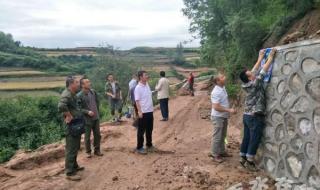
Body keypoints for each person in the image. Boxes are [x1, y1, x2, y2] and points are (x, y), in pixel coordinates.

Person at [238, 48, 276, 171]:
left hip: (246, 116)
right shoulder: (255, 84)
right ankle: (249, 161)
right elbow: (263, 71)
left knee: (247, 137)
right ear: (249, 78)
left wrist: (260, 57)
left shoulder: (246, 83)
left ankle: (242, 157)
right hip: (255, 115)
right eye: (250, 74)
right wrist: (270, 57)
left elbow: (254, 71)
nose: (252, 72)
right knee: (255, 138)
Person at [58, 76, 84, 181]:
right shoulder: (67, 94)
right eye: (77, 82)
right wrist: (68, 115)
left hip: (76, 125)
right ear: (71, 84)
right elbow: (61, 106)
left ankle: (74, 166)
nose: (79, 84)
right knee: (71, 149)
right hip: (71, 126)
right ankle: (69, 172)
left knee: (76, 146)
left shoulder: (73, 94)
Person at [209, 73, 236, 163]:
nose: (225, 77)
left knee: (223, 135)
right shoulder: (216, 92)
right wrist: (229, 110)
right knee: (217, 136)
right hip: (218, 117)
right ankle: (214, 154)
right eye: (222, 77)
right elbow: (216, 107)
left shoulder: (222, 88)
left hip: (223, 116)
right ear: (218, 81)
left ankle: (222, 151)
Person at [77, 77, 103, 158]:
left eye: (89, 82)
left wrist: (97, 112)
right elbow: (78, 108)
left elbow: (97, 102)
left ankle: (97, 150)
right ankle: (88, 151)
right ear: (82, 85)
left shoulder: (93, 92)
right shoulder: (79, 95)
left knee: (97, 135)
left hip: (96, 117)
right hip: (87, 119)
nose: (89, 83)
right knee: (87, 137)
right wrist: (87, 112)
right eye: (87, 82)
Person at [134, 70, 155, 154]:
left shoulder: (147, 85)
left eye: (147, 75)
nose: (147, 76)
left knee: (150, 129)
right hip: (143, 112)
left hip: (150, 111)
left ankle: (149, 145)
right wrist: (139, 112)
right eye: (145, 75)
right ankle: (139, 147)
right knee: (141, 131)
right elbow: (137, 101)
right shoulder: (138, 88)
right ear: (140, 77)